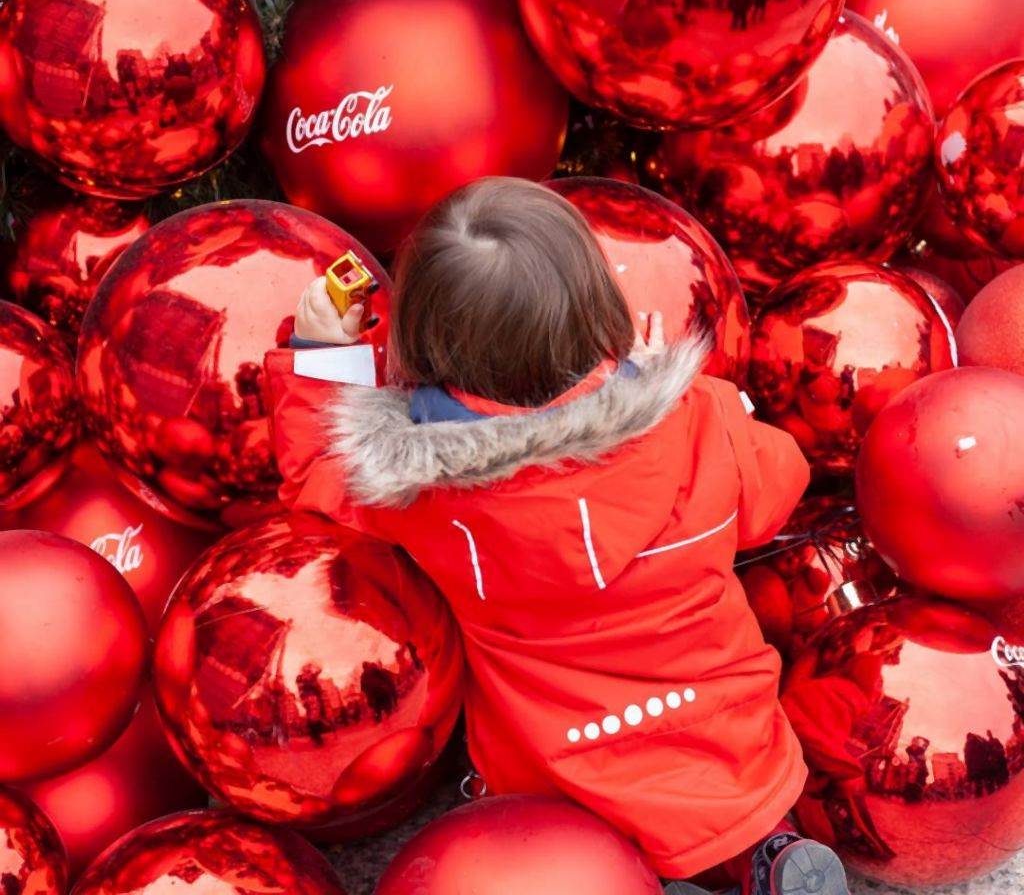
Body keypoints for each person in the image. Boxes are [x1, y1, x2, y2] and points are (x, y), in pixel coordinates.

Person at [265, 177, 848, 895]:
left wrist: (326, 349)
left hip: (556, 768)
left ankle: (657, 883)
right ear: (600, 307)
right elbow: (776, 489)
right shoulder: (700, 420)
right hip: (722, 742)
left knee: (573, 847)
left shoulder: (420, 493)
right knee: (735, 800)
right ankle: (771, 857)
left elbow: (317, 474)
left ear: (422, 338)